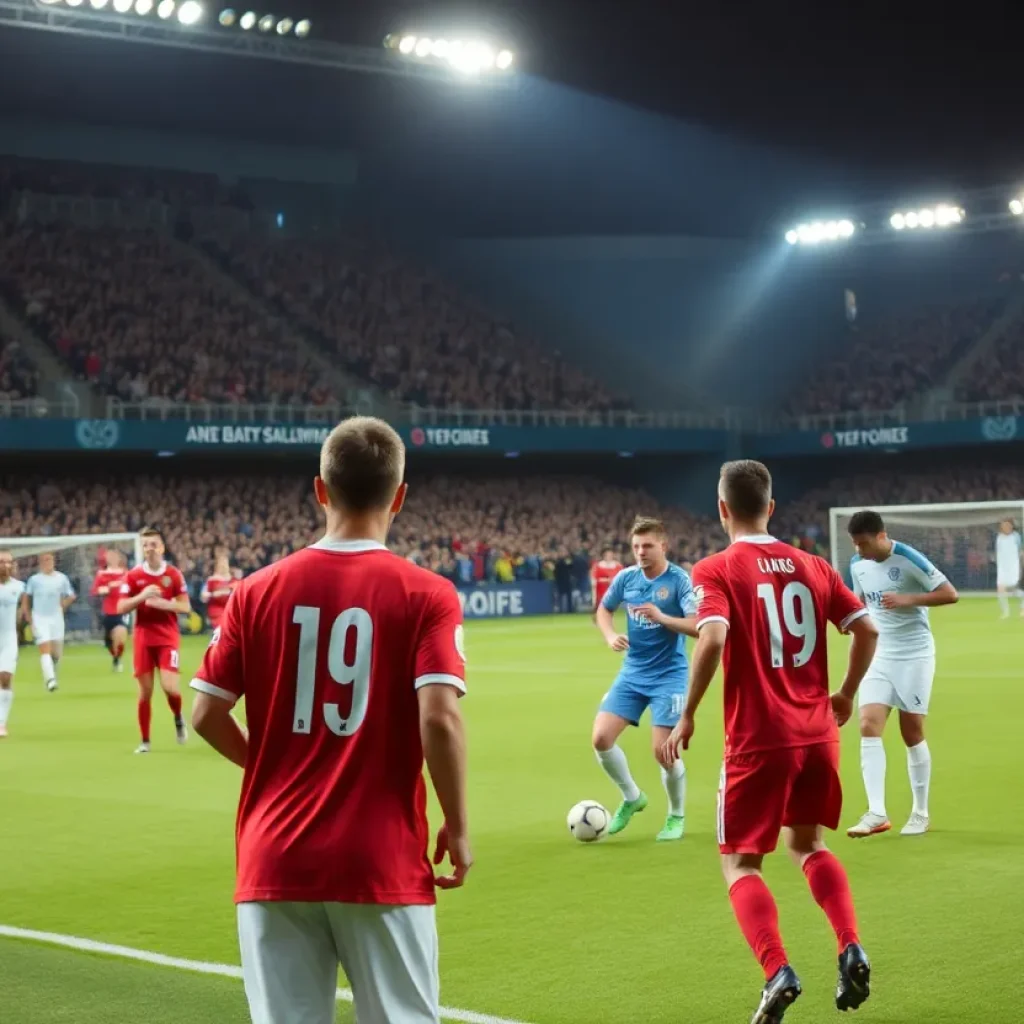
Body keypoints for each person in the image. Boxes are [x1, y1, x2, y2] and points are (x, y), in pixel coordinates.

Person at [189, 416, 471, 1024]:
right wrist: (458, 823)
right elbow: (441, 720)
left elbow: (205, 712)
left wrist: (264, 762)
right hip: (382, 860)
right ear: (399, 497)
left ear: (319, 490)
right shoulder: (428, 593)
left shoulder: (254, 591)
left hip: (274, 858)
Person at [660, 460, 878, 1023]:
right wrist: (848, 693)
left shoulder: (715, 568)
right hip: (817, 734)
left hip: (759, 739)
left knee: (740, 863)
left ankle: (777, 969)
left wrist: (687, 715)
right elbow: (867, 629)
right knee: (809, 846)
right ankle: (850, 943)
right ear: (772, 508)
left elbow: (710, 638)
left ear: (723, 509)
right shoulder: (814, 564)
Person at [845, 510, 959, 838]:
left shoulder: (909, 559)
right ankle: (876, 812)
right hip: (879, 654)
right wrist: (852, 619)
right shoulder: (857, 564)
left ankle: (920, 812)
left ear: (881, 535)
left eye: (863, 543)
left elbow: (949, 593)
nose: (858, 551)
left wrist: (909, 598)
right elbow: (860, 600)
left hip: (915, 655)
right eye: (854, 544)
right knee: (867, 724)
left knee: (911, 731)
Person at [593, 517, 697, 842]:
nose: (641, 552)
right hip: (633, 672)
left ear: (663, 546)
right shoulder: (626, 578)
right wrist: (610, 636)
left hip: (669, 675)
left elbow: (698, 625)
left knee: (663, 752)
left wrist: (663, 617)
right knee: (601, 738)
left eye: (647, 546)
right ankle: (632, 796)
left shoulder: (680, 581)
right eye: (636, 546)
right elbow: (603, 609)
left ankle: (675, 816)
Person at [117, 529, 191, 754]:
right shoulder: (133, 576)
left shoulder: (174, 574)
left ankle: (178, 717)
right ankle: (145, 741)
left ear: (162, 547)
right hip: (143, 637)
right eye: (145, 545)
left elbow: (185, 607)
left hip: (167, 636)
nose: (149, 548)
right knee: (145, 692)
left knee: (170, 687)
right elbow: (120, 607)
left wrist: (163, 604)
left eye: (153, 544)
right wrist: (142, 596)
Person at [20, 552, 76, 693]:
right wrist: (28, 617)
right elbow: (26, 598)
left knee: (56, 653)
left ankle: (52, 672)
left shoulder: (61, 578)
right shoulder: (34, 580)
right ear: (40, 563)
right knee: (44, 649)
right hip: (39, 618)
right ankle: (50, 680)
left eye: (49, 559)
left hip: (56, 618)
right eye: (44, 560)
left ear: (53, 561)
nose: (47, 562)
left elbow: (71, 595)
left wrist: (63, 605)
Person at [0, 550, 25, 737]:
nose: (6, 566)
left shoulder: (19, 587)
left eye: (9, 562)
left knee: (6, 677)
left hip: (8, 639)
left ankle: (1, 722)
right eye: (2, 562)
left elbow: (23, 611)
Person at [91, 549, 128, 673]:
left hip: (122, 610)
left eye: (114, 556)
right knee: (109, 642)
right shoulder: (102, 574)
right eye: (109, 556)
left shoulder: (126, 574)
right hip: (107, 611)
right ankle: (115, 658)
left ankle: (118, 660)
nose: (112, 559)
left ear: (119, 558)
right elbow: (96, 591)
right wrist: (109, 587)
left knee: (121, 634)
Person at [200, 552, 237, 631]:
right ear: (217, 566)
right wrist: (213, 594)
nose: (223, 566)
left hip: (231, 611)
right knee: (221, 633)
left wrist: (227, 592)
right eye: (221, 564)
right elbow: (203, 597)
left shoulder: (234, 581)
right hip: (217, 611)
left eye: (225, 563)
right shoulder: (211, 580)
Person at [995, 519, 1023, 619]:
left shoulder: (1016, 537)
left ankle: (1022, 608)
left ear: (1011, 526)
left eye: (1007, 525)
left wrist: (1021, 566)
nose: (1005, 527)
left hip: (1014, 567)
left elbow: (1020, 552)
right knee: (1000, 589)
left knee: (1017, 589)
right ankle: (1005, 612)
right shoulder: (999, 538)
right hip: (1002, 568)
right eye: (1003, 525)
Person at [590, 546, 623, 619]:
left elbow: (622, 578)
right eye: (607, 554)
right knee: (601, 606)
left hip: (613, 590)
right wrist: (606, 581)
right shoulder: (598, 566)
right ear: (604, 555)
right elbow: (594, 579)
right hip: (602, 590)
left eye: (610, 554)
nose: (609, 556)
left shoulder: (618, 566)